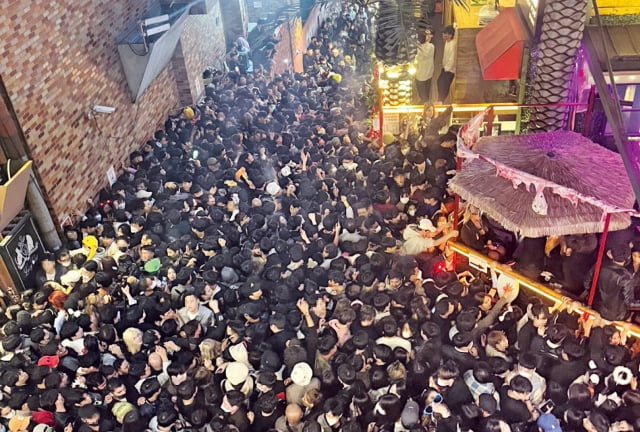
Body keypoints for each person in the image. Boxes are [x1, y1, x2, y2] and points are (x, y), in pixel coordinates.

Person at [414, 29, 435, 103]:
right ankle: (426, 103)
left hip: (420, 75)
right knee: (427, 92)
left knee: (422, 94)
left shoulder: (417, 50)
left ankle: (424, 105)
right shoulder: (431, 47)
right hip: (429, 74)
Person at [437, 25, 457, 104]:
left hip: (450, 70)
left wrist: (446, 68)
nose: (443, 35)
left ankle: (441, 100)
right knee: (439, 81)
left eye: (445, 34)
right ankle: (440, 99)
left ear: (450, 35)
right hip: (445, 67)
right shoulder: (447, 42)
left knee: (444, 84)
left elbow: (452, 59)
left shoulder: (452, 45)